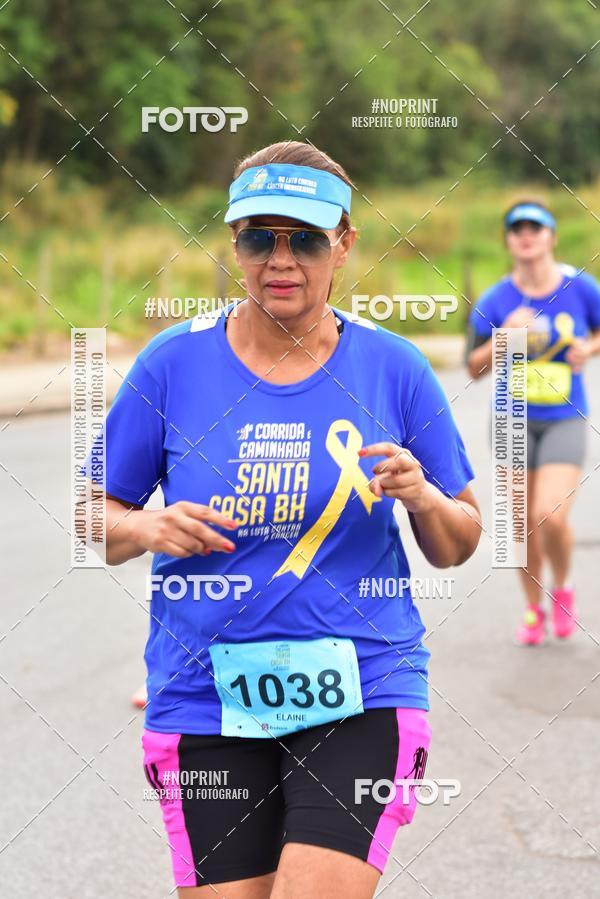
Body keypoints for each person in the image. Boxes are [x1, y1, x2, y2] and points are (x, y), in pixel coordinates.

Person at [99, 141, 480, 898]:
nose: (281, 259)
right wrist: (146, 527)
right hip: (206, 692)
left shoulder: (394, 367)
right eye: (258, 237)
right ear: (233, 241)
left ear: (343, 243)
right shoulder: (172, 362)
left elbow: (460, 538)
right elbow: (93, 514)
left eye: (304, 238)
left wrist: (424, 497)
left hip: (364, 684)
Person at [467, 200, 600, 646]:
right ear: (508, 240)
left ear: (551, 236)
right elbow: (472, 365)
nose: (526, 235)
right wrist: (505, 337)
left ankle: (562, 587)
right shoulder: (496, 299)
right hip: (511, 421)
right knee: (519, 525)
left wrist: (590, 348)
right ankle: (532, 607)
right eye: (517, 228)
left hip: (563, 416)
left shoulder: (581, 289)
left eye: (535, 227)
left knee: (549, 514)